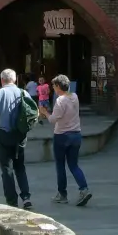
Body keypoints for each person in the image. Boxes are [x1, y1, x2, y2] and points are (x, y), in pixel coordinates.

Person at [40, 74, 92, 206]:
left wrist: (45, 112)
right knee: (74, 165)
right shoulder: (74, 97)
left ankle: (62, 194)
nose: (53, 88)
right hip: (76, 134)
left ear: (58, 86)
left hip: (62, 136)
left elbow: (53, 119)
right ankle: (84, 189)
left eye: (54, 86)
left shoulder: (60, 100)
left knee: (60, 165)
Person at [0, 68, 32, 210]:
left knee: (7, 169)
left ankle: (12, 201)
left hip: (5, 135)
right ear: (15, 79)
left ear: (2, 80)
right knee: (20, 167)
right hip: (20, 136)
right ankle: (26, 198)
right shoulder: (24, 93)